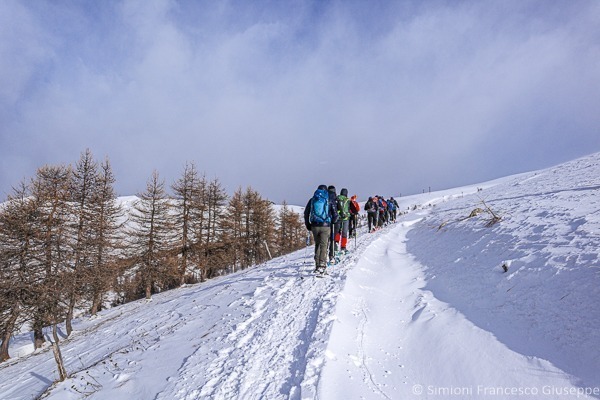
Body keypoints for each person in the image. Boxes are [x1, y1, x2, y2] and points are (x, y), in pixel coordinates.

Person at [304, 184, 338, 274]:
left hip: (314, 225)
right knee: (324, 245)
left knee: (317, 244)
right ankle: (322, 265)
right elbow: (335, 213)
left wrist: (308, 224)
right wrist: (333, 221)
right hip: (325, 225)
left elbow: (306, 213)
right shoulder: (328, 199)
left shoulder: (312, 199)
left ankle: (317, 265)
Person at [334, 188, 351, 254]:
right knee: (344, 233)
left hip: (338, 218)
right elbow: (351, 209)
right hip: (345, 219)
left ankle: (336, 246)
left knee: (337, 232)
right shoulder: (347, 200)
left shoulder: (337, 199)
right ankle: (343, 247)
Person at [327, 185, 339, 262]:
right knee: (332, 239)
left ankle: (322, 257)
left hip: (324, 221)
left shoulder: (325, 197)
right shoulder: (335, 198)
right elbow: (335, 211)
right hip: (333, 222)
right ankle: (332, 255)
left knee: (325, 240)